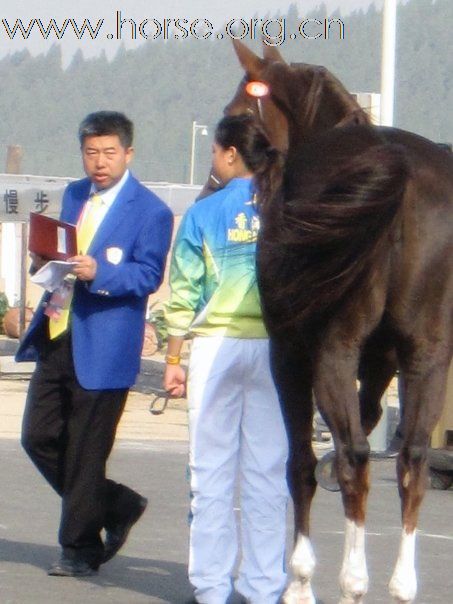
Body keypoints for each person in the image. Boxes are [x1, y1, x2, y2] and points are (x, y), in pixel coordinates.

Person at [16, 111, 173, 576]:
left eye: (108, 152)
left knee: (87, 450)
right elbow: (62, 252)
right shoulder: (74, 194)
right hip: (58, 330)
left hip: (106, 344)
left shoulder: (152, 211)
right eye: (91, 152)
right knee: (38, 436)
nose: (99, 162)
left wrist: (98, 273)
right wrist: (45, 259)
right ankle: (115, 503)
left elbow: (148, 275)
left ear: (128, 152)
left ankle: (79, 549)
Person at [163, 114, 288, 604]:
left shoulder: (204, 212)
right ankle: (263, 586)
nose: (214, 160)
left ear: (231, 153)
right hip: (273, 349)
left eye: (216, 152)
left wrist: (174, 356)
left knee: (211, 472)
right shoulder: (284, 208)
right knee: (266, 472)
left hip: (215, 347)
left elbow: (183, 293)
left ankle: (212, 587)